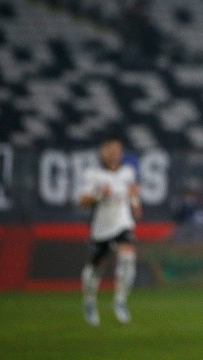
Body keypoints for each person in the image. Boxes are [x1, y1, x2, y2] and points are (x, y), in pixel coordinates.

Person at [78, 138, 142, 326]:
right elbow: (82, 201)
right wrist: (99, 194)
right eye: (111, 152)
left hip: (123, 223)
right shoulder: (93, 175)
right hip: (101, 228)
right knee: (96, 268)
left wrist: (135, 203)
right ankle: (89, 302)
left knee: (128, 258)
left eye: (117, 152)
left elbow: (132, 192)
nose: (115, 156)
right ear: (103, 154)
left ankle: (120, 301)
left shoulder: (127, 172)